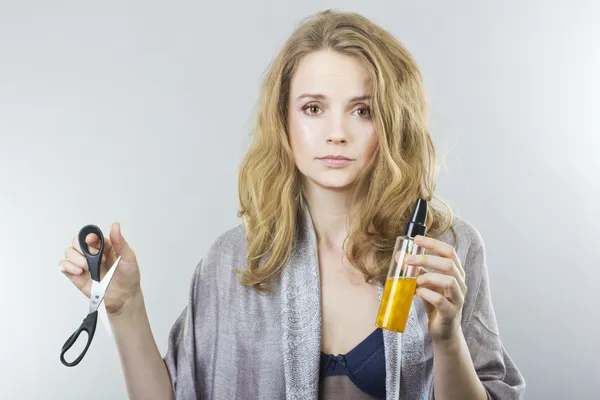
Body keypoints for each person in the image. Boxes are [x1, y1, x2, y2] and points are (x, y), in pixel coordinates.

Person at [58, 9, 525, 400]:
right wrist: (124, 307)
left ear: (392, 122)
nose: (336, 132)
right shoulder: (234, 261)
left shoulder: (447, 251)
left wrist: (446, 340)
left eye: (362, 110)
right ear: (284, 120)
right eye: (313, 108)